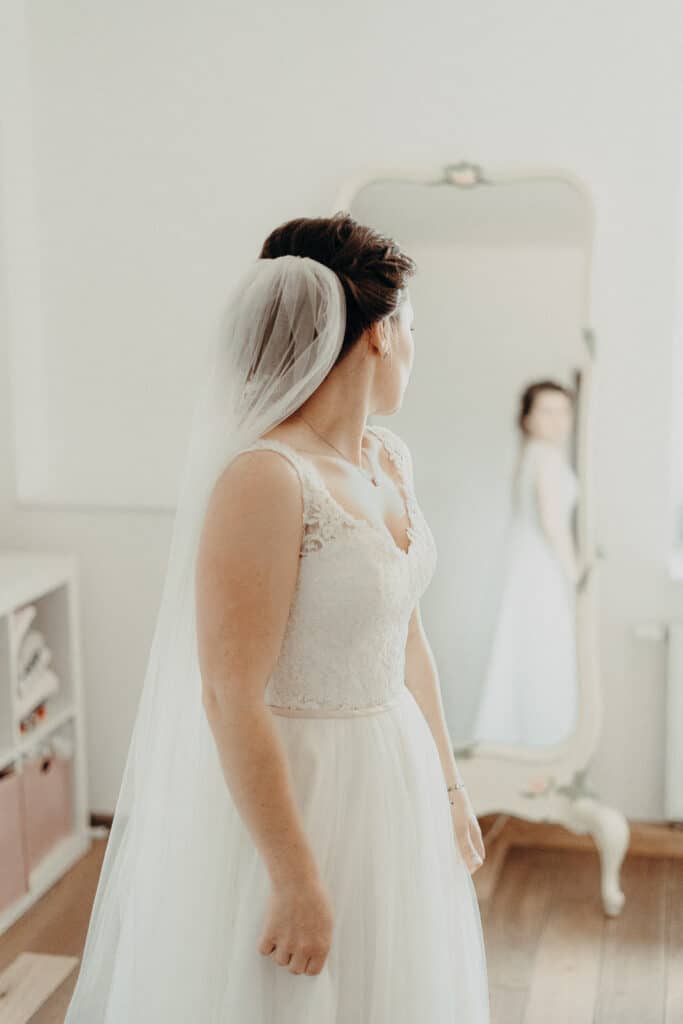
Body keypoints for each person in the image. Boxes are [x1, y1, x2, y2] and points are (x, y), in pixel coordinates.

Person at [64, 212, 490, 1022]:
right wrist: (294, 878)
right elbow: (228, 693)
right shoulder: (265, 476)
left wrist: (449, 787)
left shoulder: (388, 458)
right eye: (411, 328)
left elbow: (408, 639)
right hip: (300, 787)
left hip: (392, 769)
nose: (413, 347)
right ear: (378, 334)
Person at [471, 380, 580, 747]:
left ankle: (521, 744)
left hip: (525, 563)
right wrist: (576, 575)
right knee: (541, 649)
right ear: (528, 419)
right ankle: (539, 742)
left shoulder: (529, 454)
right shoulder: (545, 456)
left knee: (525, 649)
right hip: (541, 567)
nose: (558, 420)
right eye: (547, 411)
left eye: (564, 411)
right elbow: (552, 523)